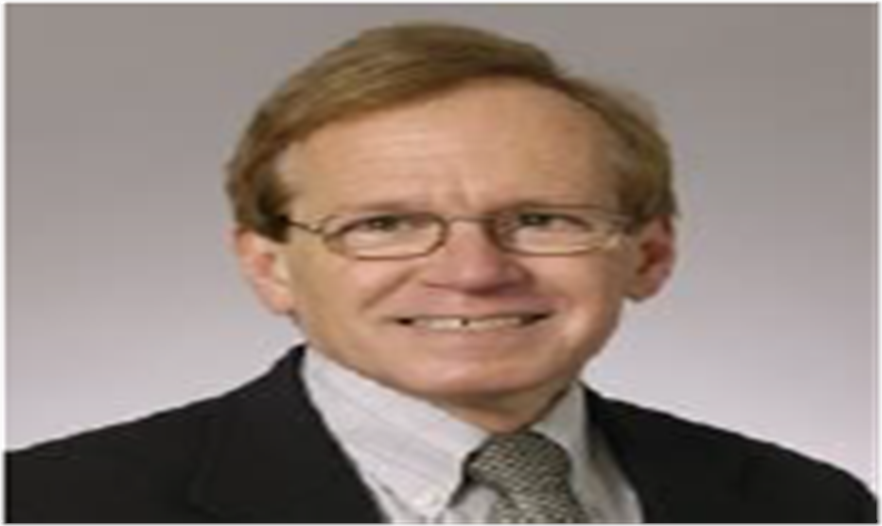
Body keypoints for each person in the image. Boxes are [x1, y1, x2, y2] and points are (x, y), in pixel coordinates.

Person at [7, 21, 875, 524]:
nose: (474, 271)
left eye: (542, 220)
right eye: (384, 224)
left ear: (649, 255)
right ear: (270, 269)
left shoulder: (807, 507)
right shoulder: (49, 506)